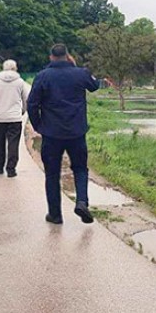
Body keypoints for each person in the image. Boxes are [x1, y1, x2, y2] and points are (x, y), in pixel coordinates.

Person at [27, 43, 106, 225]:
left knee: (52, 174)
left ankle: (55, 215)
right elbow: (94, 86)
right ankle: (82, 202)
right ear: (67, 56)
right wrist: (76, 66)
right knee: (80, 168)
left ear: (51, 57)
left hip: (51, 133)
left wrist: (38, 125)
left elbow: (32, 104)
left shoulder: (43, 76)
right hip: (76, 132)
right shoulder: (80, 73)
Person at [0, 59, 30, 178]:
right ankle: (11, 169)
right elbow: (26, 99)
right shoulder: (20, 82)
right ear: (15, 68)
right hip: (15, 118)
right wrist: (23, 111)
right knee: (13, 144)